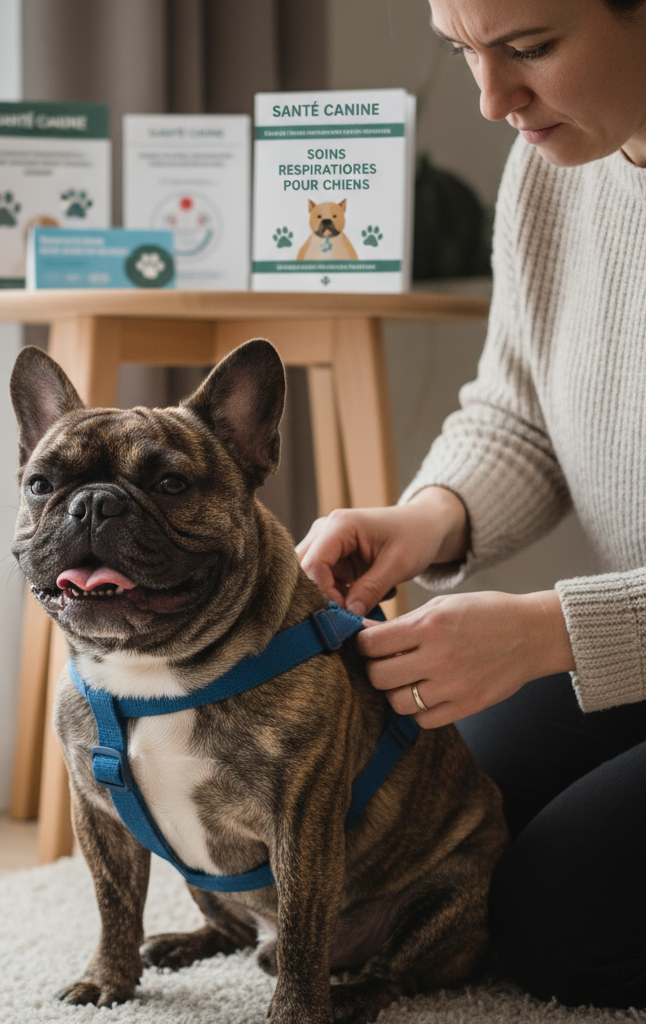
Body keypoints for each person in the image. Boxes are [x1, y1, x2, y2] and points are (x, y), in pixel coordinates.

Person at [298, 0, 646, 1008]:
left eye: (530, 49)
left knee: (564, 924)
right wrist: (427, 518)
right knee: (424, 829)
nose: (494, 101)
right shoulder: (554, 169)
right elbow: (518, 409)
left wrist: (552, 630)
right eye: (464, 54)